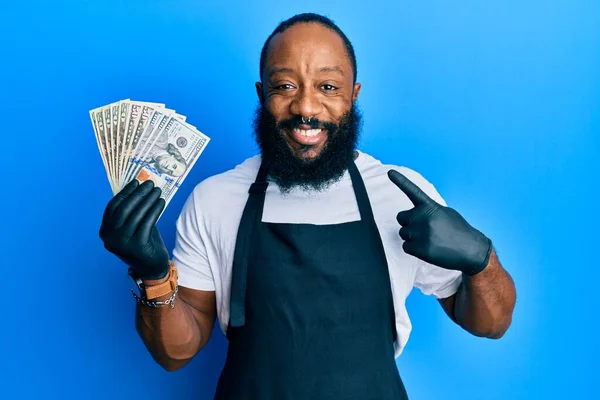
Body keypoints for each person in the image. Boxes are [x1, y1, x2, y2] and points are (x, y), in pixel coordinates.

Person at [99, 12, 517, 400]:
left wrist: (481, 259)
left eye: (328, 87)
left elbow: (491, 324)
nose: (306, 107)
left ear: (353, 96)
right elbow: (177, 353)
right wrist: (152, 275)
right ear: (262, 94)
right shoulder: (216, 198)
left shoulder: (400, 196)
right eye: (285, 86)